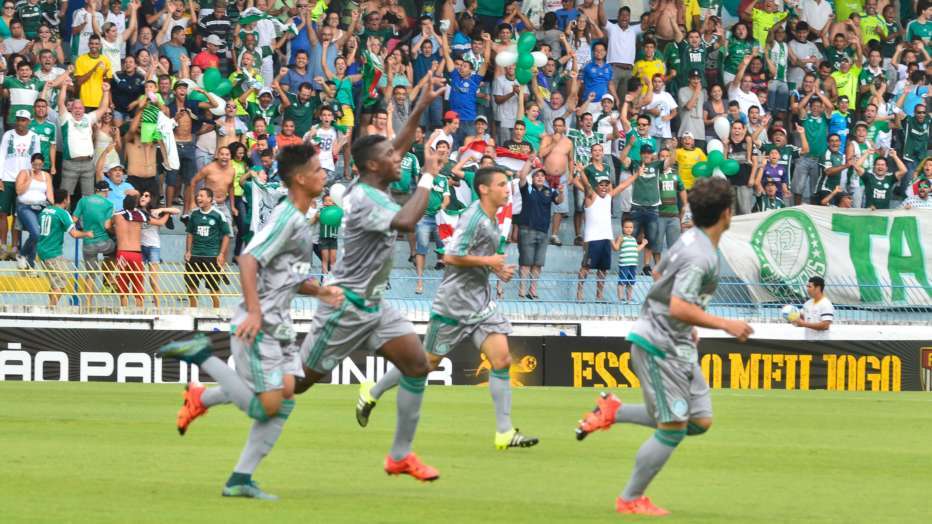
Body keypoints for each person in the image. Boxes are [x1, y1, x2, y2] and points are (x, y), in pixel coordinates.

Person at [159, 143, 344, 500]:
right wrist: (256, 312)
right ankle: (202, 357)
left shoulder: (303, 220)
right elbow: (247, 259)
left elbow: (287, 276)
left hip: (281, 324)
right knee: (267, 406)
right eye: (319, 170)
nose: (324, 175)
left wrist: (320, 292)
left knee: (287, 395)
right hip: (260, 324)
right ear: (301, 179)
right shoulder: (287, 218)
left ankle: (240, 477)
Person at [288, 81, 446, 482]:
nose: (400, 158)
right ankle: (214, 392)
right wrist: (428, 175)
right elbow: (408, 222)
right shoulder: (366, 201)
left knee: (415, 365)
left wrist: (420, 105)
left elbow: (401, 143)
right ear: (374, 166)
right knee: (296, 384)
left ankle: (400, 455)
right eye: (391, 156)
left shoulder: (376, 179)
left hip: (374, 304)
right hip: (345, 305)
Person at [574, 177, 754, 517]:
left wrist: (688, 321)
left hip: (677, 340)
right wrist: (724, 323)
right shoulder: (701, 254)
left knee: (699, 420)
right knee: (671, 427)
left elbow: (659, 274)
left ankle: (615, 411)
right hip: (659, 342)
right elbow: (677, 305)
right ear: (727, 214)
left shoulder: (690, 239)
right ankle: (629, 499)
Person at [359, 166, 540, 450]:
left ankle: (504, 431)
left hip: (480, 302)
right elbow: (452, 256)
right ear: (484, 189)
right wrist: (490, 262)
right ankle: (373, 390)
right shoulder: (473, 218)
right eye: (502, 184)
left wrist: (497, 270)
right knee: (424, 365)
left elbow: (481, 257)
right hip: (454, 304)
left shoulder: (493, 219)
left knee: (502, 359)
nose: (508, 189)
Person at [574, 168, 641, 301]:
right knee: (585, 267)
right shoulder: (591, 197)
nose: (604, 187)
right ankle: (579, 293)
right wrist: (582, 172)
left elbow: (623, 185)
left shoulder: (609, 197)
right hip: (592, 239)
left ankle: (599, 296)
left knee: (603, 270)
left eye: (606, 185)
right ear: (596, 187)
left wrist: (637, 175)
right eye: (601, 185)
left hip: (606, 238)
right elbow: (587, 185)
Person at [38, 189, 94, 306]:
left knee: (55, 282)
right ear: (65, 200)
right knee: (61, 282)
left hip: (42, 250)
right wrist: (87, 233)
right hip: (53, 252)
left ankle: (51, 305)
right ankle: (51, 309)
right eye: (68, 198)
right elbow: (74, 234)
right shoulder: (63, 213)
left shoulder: (45, 211)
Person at [0, 110, 41, 259]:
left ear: (28, 121)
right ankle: (3, 246)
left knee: (18, 215)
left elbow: (36, 158)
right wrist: (0, 177)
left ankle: (15, 247)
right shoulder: (8, 135)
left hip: (23, 180)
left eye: (23, 120)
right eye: (18, 119)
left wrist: (33, 178)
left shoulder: (34, 137)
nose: (20, 123)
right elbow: (1, 155)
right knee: (3, 213)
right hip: (7, 178)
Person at [518, 169, 563, 299]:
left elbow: (559, 201)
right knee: (525, 263)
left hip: (543, 231)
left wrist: (561, 192)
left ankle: (532, 291)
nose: (540, 178)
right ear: (532, 178)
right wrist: (530, 162)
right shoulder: (528, 189)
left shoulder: (549, 191)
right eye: (537, 176)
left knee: (538, 263)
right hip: (527, 229)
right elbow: (522, 177)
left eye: (542, 176)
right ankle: (521, 290)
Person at [184, 187, 232, 309]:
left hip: (211, 256)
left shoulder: (218, 215)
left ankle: (216, 312)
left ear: (210, 199)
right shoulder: (194, 214)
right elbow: (189, 234)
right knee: (191, 285)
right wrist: (188, 251)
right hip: (195, 255)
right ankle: (193, 311)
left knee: (213, 287)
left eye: (201, 195)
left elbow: (227, 235)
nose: (198, 198)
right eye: (198, 196)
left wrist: (221, 254)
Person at [74, 180, 115, 304]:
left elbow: (74, 219)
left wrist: (80, 231)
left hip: (88, 243)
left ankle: (88, 304)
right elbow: (107, 226)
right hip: (104, 243)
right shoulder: (108, 204)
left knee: (91, 274)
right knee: (117, 249)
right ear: (105, 191)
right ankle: (109, 279)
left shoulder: (83, 201)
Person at [14, 153, 54, 269]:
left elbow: (50, 194)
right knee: (36, 232)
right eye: (35, 164)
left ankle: (30, 265)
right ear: (31, 163)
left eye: (40, 165)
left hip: (41, 206)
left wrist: (54, 207)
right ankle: (21, 255)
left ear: (43, 164)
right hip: (26, 207)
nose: (37, 167)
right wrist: (30, 178)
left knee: (39, 234)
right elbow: (19, 191)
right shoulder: (24, 173)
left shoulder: (46, 175)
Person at [112, 194, 147, 308]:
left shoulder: (117, 215)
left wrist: (115, 230)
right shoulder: (140, 216)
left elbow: (106, 225)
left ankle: (124, 314)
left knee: (122, 288)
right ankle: (141, 315)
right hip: (136, 254)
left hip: (122, 253)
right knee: (138, 288)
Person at [613, 218, 648, 303]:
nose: (629, 229)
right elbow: (616, 248)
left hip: (633, 264)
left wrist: (643, 244)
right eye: (626, 227)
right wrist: (612, 241)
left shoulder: (633, 239)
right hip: (624, 264)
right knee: (622, 281)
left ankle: (629, 298)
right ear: (622, 228)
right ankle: (620, 298)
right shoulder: (622, 238)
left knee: (631, 281)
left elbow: (636, 249)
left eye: (631, 227)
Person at [792, 276, 834, 341]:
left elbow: (825, 325)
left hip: (821, 344)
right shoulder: (807, 304)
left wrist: (803, 323)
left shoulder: (826, 304)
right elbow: (803, 319)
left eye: (809, 287)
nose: (807, 289)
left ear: (818, 288)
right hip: (808, 343)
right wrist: (790, 312)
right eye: (807, 286)